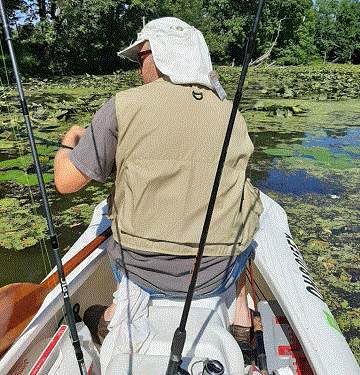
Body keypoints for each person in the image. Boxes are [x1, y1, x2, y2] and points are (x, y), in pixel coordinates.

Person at [54, 17, 263, 364]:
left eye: (141, 57)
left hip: (141, 269)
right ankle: (242, 317)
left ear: (161, 54)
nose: (140, 69)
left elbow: (66, 181)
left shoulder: (123, 105)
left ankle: (111, 316)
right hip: (216, 274)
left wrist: (70, 140)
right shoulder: (232, 113)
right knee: (245, 216)